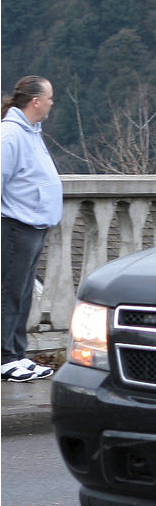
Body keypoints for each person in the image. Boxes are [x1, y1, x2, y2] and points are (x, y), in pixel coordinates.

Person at [2, 76, 61, 382]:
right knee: (9, 292)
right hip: (14, 225)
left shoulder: (31, 133)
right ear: (35, 101)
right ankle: (5, 358)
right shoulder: (10, 135)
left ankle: (16, 355)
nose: (53, 102)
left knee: (23, 294)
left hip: (32, 225)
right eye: (49, 97)